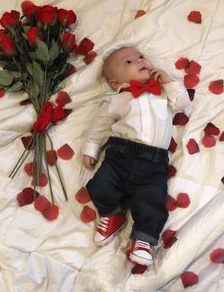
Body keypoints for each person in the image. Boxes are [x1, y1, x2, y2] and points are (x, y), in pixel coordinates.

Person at [82, 46, 191, 266]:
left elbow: (182, 103)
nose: (139, 61)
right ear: (115, 82)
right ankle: (112, 214)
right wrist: (91, 148)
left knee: (152, 200)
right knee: (100, 185)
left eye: (141, 57)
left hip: (154, 162)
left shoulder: (162, 93)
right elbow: (99, 126)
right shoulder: (116, 99)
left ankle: (143, 238)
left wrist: (168, 81)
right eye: (129, 62)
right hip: (120, 156)